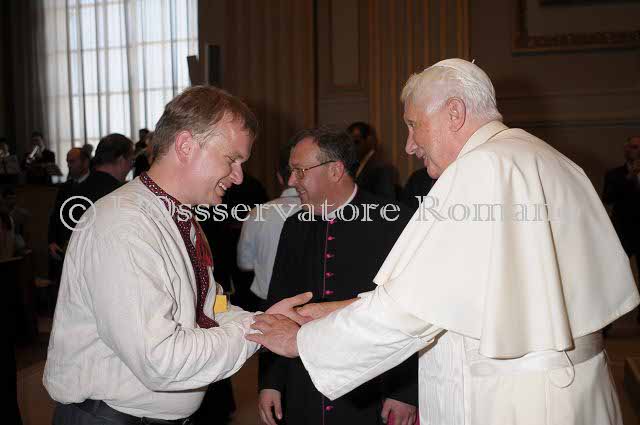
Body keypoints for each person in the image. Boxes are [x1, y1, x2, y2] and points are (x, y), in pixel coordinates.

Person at [248, 59, 640, 425]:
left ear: (454, 113)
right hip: (570, 390)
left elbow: (410, 311)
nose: (409, 145)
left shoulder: (481, 167)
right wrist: (334, 310)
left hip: (516, 400)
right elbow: (453, 294)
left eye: (413, 125)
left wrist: (304, 342)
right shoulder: (545, 158)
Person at [44, 85, 311, 424]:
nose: (238, 176)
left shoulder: (180, 218)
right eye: (231, 159)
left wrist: (264, 322)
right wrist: (256, 333)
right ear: (186, 146)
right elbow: (160, 360)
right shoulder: (124, 225)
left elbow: (210, 307)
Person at [258, 128, 418, 425]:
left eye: (300, 171)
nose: (291, 181)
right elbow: (277, 305)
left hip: (370, 384)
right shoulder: (295, 226)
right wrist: (271, 382)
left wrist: (404, 392)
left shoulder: (393, 220)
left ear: (335, 170)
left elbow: (410, 312)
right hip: (304, 382)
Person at [237, 143, 301, 306]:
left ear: (279, 177)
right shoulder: (324, 211)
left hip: (267, 303)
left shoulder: (258, 213)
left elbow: (245, 264)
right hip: (313, 304)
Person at [603, 135, 640, 324]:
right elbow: (608, 199)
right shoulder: (614, 175)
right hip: (623, 233)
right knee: (613, 275)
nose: (638, 151)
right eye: (634, 147)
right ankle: (606, 321)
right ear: (627, 149)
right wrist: (629, 177)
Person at [348, 122, 397, 200]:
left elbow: (386, 200)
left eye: (356, 142)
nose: (353, 147)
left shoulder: (381, 167)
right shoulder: (354, 165)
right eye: (349, 144)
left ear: (369, 140)